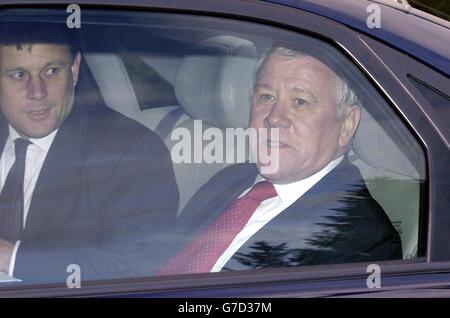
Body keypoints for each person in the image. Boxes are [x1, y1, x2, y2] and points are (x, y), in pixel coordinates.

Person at [157, 46, 402, 275]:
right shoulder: (231, 178)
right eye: (266, 97)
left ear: (347, 125)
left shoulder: (364, 241)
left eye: (300, 102)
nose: (275, 118)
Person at [0, 23, 179, 284]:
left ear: (73, 70)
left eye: (51, 71)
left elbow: (132, 266)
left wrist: (10, 258)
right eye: (18, 75)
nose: (37, 92)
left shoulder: (134, 153)